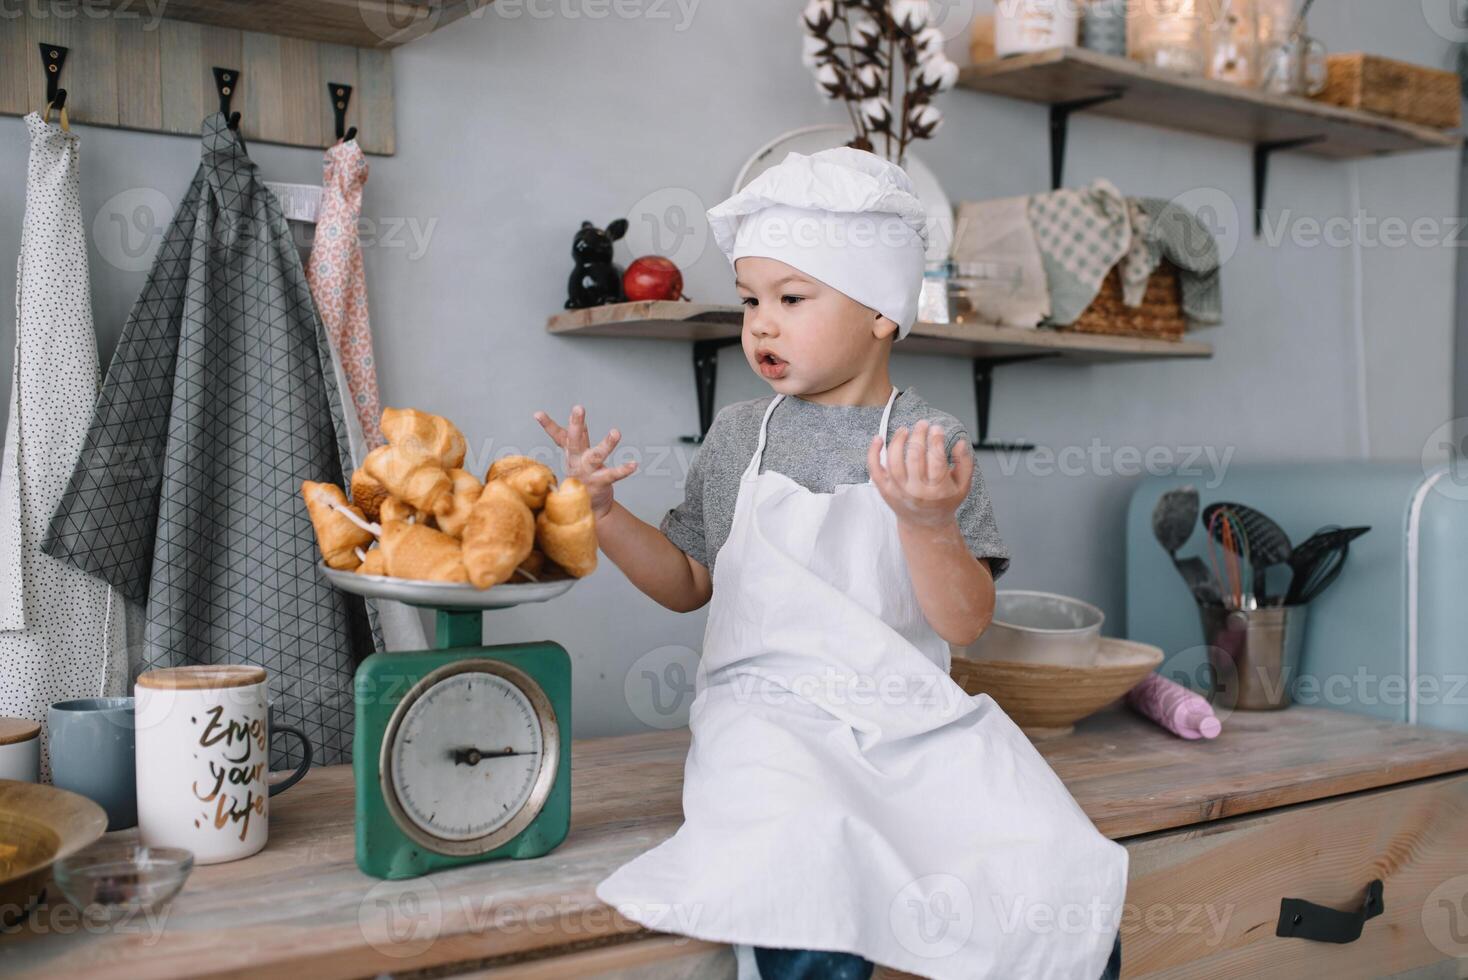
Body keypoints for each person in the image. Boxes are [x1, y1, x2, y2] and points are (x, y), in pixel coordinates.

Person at [534, 147, 1126, 980]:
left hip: (912, 720)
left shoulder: (932, 444)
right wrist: (603, 515)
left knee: (1049, 859)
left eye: (791, 297)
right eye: (749, 301)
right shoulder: (741, 434)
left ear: (882, 310)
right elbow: (686, 584)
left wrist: (927, 524)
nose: (760, 323)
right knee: (805, 869)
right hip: (767, 718)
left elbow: (965, 621)